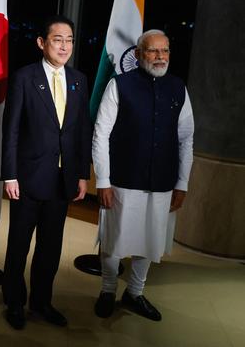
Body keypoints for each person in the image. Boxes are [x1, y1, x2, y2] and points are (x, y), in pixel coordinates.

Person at [92, 29, 194, 321]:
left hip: (163, 182)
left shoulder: (178, 87)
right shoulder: (119, 85)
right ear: (138, 55)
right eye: (152, 51)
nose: (160, 57)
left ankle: (135, 292)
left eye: (165, 51)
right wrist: (103, 180)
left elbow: (187, 137)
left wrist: (182, 182)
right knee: (114, 239)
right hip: (122, 180)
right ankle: (108, 290)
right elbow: (101, 135)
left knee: (150, 239)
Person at [1, 15, 91, 330]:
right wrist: (9, 174)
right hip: (27, 178)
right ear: (42, 43)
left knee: (50, 249)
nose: (64, 46)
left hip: (62, 180)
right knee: (19, 246)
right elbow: (10, 130)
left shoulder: (79, 80)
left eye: (69, 40)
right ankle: (14, 302)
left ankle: (42, 302)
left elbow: (81, 132)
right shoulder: (24, 78)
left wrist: (82, 174)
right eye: (57, 39)